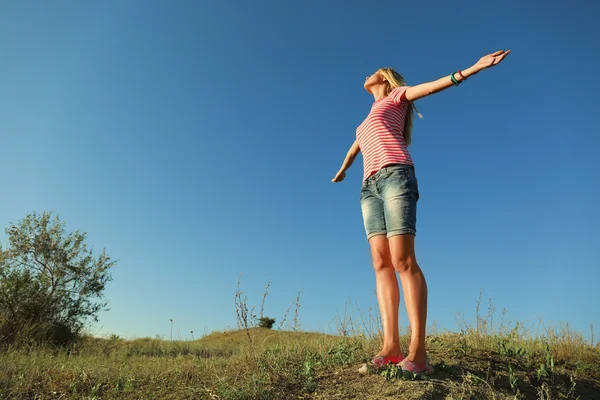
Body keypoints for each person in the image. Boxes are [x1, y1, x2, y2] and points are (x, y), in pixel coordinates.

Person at [332, 49, 510, 376]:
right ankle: (391, 347)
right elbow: (356, 145)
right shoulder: (364, 121)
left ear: (384, 79)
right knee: (380, 262)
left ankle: (418, 352)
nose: (366, 75)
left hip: (396, 176)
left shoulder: (397, 96)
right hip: (368, 186)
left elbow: (430, 87)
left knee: (402, 259)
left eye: (373, 71)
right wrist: (343, 169)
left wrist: (471, 69)